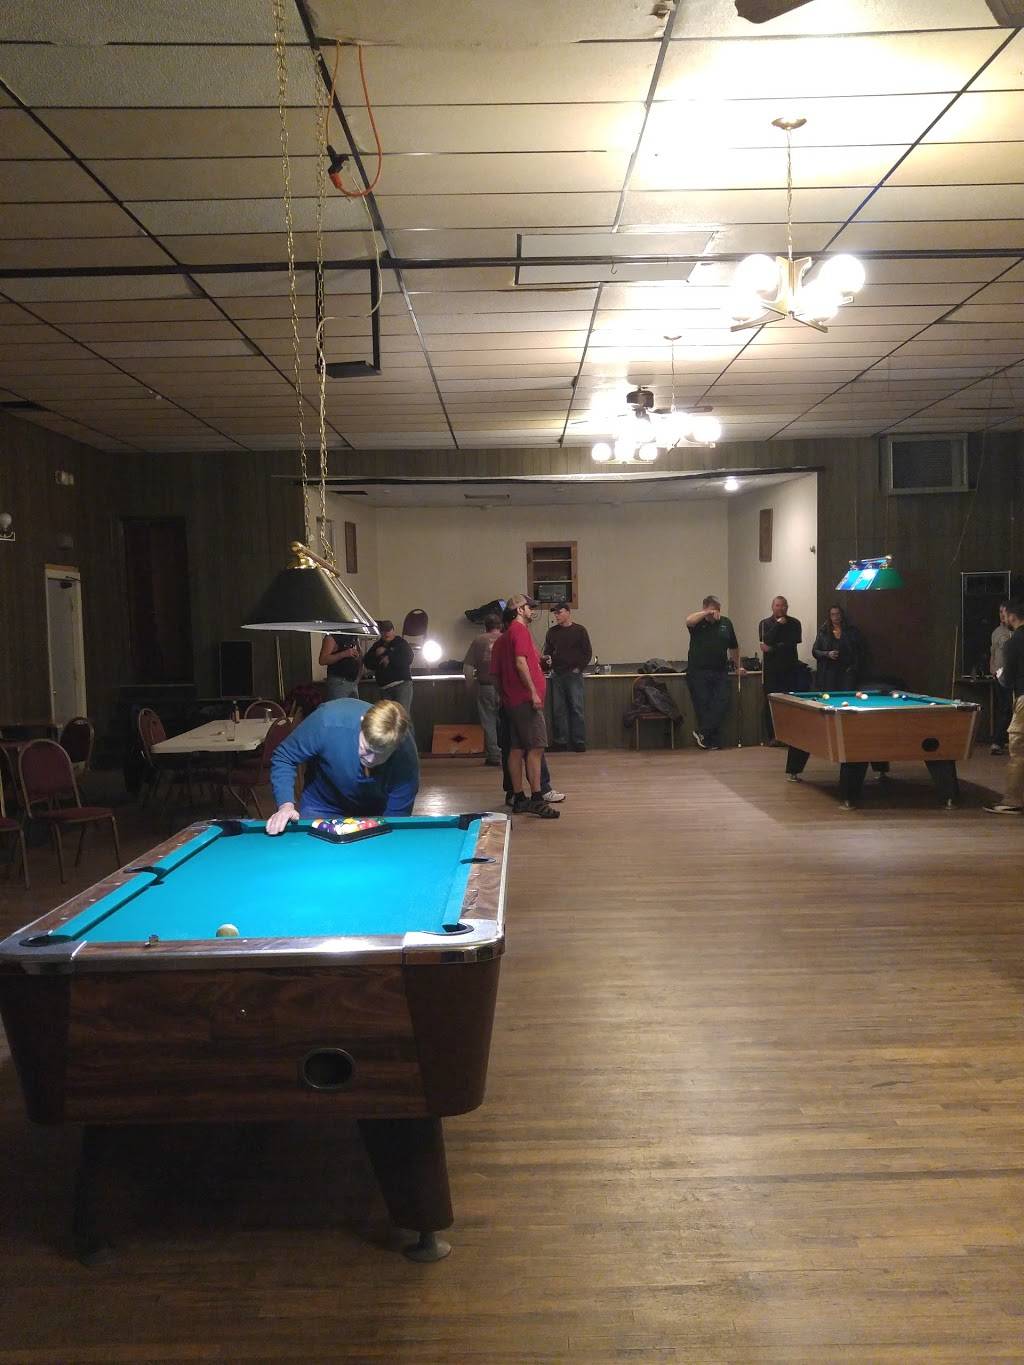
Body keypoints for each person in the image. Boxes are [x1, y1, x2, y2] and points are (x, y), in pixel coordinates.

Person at [266, 697, 418, 833]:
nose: (371, 760)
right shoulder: (328, 721)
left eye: (381, 754)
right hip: (322, 804)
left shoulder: (406, 756)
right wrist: (285, 805)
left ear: (397, 745)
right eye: (367, 749)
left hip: (375, 811)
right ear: (362, 723)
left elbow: (394, 820)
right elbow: (284, 756)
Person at [490, 595, 559, 818]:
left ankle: (519, 797)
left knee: (516, 749)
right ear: (520, 610)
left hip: (511, 702)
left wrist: (505, 696)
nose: (532, 611)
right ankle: (537, 798)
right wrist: (533, 692)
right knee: (536, 748)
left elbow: (495, 675)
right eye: (529, 607)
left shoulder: (501, 639)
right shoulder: (519, 631)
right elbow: (520, 662)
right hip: (525, 701)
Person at [684, 595, 745, 750]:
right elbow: (688, 620)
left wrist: (738, 666)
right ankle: (710, 741)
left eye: (718, 609)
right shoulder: (697, 623)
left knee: (722, 702)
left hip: (720, 670)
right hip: (698, 671)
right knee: (703, 705)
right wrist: (707, 613)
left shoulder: (726, 623)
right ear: (705, 608)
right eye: (713, 609)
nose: (716, 613)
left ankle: (702, 733)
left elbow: (733, 647)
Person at [985, 601, 1024, 814]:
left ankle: (1013, 801)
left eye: (1006, 614)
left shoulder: (1013, 641)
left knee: (1018, 749)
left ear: (1012, 616)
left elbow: (1007, 680)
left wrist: (1000, 675)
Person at [542, 601, 592, 752]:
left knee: (576, 708)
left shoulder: (580, 630)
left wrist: (579, 668)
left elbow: (587, 652)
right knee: (558, 709)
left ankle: (579, 741)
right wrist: (547, 661)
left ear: (568, 612)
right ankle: (560, 741)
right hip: (557, 674)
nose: (556, 616)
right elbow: (548, 651)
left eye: (559, 612)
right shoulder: (552, 632)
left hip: (573, 674)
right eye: (555, 613)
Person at [758, 595, 802, 744]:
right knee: (771, 703)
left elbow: (791, 643)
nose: (781, 608)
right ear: (772, 607)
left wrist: (773, 648)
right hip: (771, 671)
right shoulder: (764, 623)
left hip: (790, 669)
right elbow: (766, 640)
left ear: (787, 607)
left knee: (790, 704)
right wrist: (777, 625)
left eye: (783, 605)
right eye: (777, 605)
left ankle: (789, 736)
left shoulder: (795, 623)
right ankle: (773, 736)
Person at [463, 613, 503, 766]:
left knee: (488, 721)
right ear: (500, 625)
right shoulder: (506, 639)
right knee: (507, 720)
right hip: (505, 687)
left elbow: (467, 667)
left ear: (486, 626)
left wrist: (470, 687)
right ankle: (510, 752)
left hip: (486, 686)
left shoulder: (479, 640)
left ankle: (494, 755)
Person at [362, 620, 414, 715]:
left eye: (388, 630)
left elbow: (408, 658)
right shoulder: (377, 645)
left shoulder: (401, 643)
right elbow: (367, 662)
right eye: (383, 631)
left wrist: (389, 657)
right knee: (388, 718)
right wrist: (377, 655)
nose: (386, 633)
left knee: (402, 717)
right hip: (384, 688)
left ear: (393, 630)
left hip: (401, 685)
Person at [812, 605, 863, 690]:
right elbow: (815, 651)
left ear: (842, 615)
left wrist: (854, 667)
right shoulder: (823, 631)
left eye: (838, 614)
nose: (836, 617)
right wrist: (827, 654)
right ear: (830, 616)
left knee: (846, 694)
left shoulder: (851, 631)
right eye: (833, 614)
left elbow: (859, 651)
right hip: (828, 671)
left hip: (847, 671)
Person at [989, 601, 1013, 755]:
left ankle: (1002, 741)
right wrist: (992, 669)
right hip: (1000, 677)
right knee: (1005, 709)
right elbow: (993, 653)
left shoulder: (1016, 633)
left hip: (1012, 676)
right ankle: (997, 742)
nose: (1002, 615)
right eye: (1000, 612)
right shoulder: (997, 632)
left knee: (1009, 709)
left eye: (1004, 612)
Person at [318, 632, 362, 701]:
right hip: (339, 681)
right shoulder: (332, 637)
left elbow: (360, 656)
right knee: (338, 706)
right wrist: (344, 654)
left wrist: (359, 676)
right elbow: (322, 660)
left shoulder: (353, 636)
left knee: (354, 707)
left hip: (353, 681)